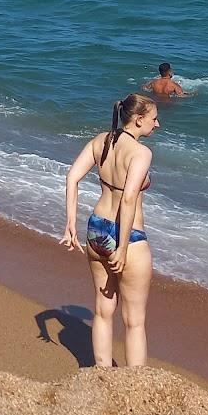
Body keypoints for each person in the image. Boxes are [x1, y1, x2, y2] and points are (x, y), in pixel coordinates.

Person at [61, 93, 159, 367]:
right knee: (134, 322)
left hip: (95, 230)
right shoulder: (141, 153)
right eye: (154, 119)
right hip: (128, 236)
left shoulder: (101, 141)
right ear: (138, 120)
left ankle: (102, 377)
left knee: (103, 311)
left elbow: (72, 177)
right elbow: (128, 198)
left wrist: (70, 223)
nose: (158, 124)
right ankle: (134, 388)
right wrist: (124, 248)